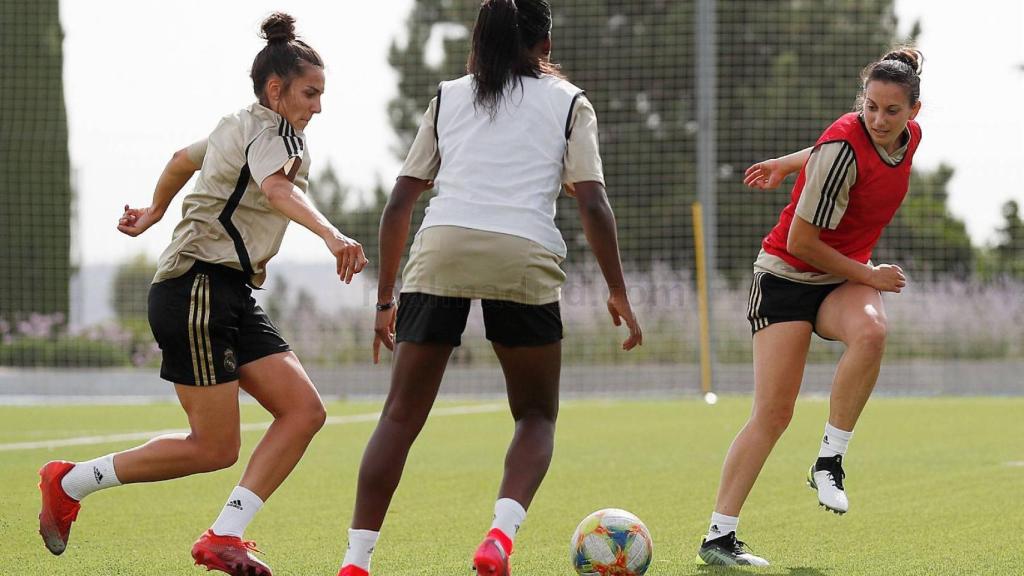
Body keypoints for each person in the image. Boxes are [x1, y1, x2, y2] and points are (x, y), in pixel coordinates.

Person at [37, 13, 367, 576]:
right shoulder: (273, 133)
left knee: (303, 411)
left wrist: (154, 212)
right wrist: (333, 235)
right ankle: (68, 482)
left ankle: (225, 535)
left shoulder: (233, 125)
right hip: (198, 289)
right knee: (213, 448)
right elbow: (277, 187)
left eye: (321, 94)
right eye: (310, 93)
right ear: (275, 89)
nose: (318, 106)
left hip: (224, 291)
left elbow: (179, 161)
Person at [334, 2, 643, 575]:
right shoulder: (570, 102)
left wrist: (384, 299)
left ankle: (355, 563)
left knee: (398, 417)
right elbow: (594, 202)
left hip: (442, 246)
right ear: (545, 42)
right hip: (521, 253)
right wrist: (618, 290)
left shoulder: (448, 96)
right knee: (535, 416)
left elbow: (400, 201)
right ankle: (499, 538)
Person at [695, 47, 924, 566]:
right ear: (861, 102)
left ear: (914, 111)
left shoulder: (906, 141)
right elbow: (801, 240)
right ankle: (718, 536)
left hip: (840, 278)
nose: (879, 119)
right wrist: (869, 275)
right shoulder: (847, 142)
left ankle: (829, 461)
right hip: (787, 277)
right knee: (773, 414)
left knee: (872, 332)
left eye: (892, 110)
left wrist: (787, 161)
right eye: (870, 107)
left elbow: (827, 148)